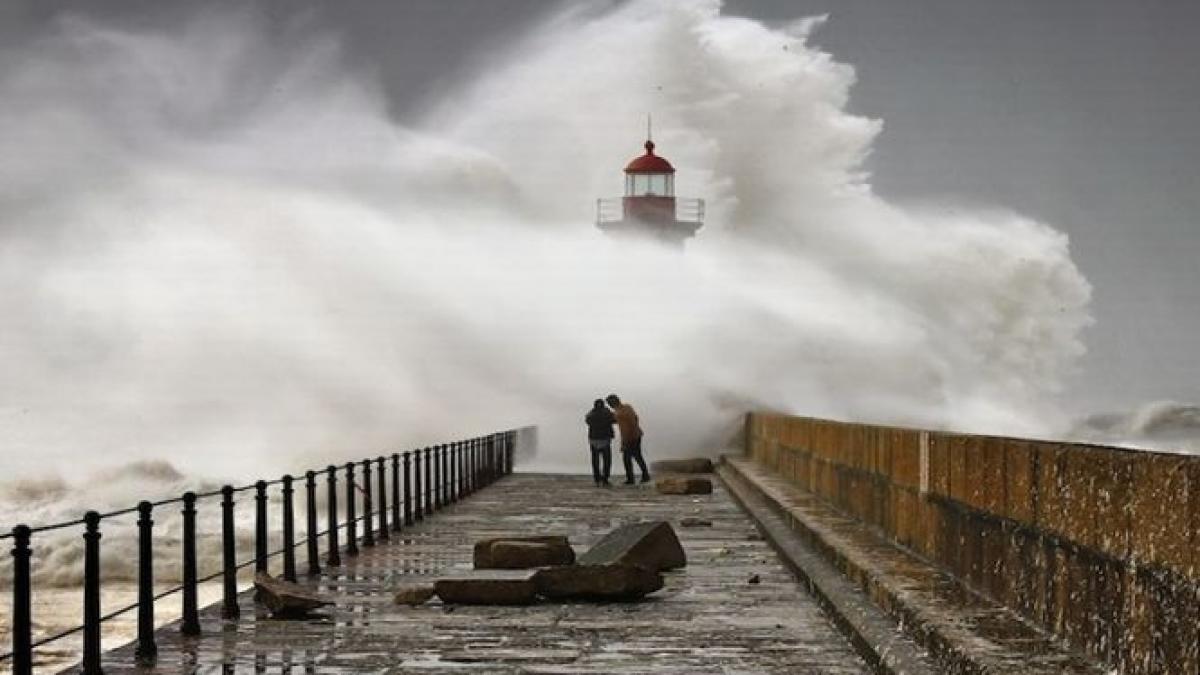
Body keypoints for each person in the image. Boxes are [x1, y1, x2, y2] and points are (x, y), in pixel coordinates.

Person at [606, 393, 650, 484]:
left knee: (627, 458)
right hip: (637, 434)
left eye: (609, 404)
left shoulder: (619, 413)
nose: (609, 406)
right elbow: (636, 418)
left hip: (630, 437)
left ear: (612, 403)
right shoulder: (627, 407)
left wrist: (624, 443)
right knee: (638, 456)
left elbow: (625, 429)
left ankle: (631, 479)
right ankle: (645, 475)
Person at [585, 399, 615, 486]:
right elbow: (614, 420)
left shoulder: (591, 414)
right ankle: (605, 479)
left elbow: (587, 421)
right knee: (607, 460)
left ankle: (597, 478)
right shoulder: (607, 412)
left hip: (594, 440)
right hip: (605, 439)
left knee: (595, 460)